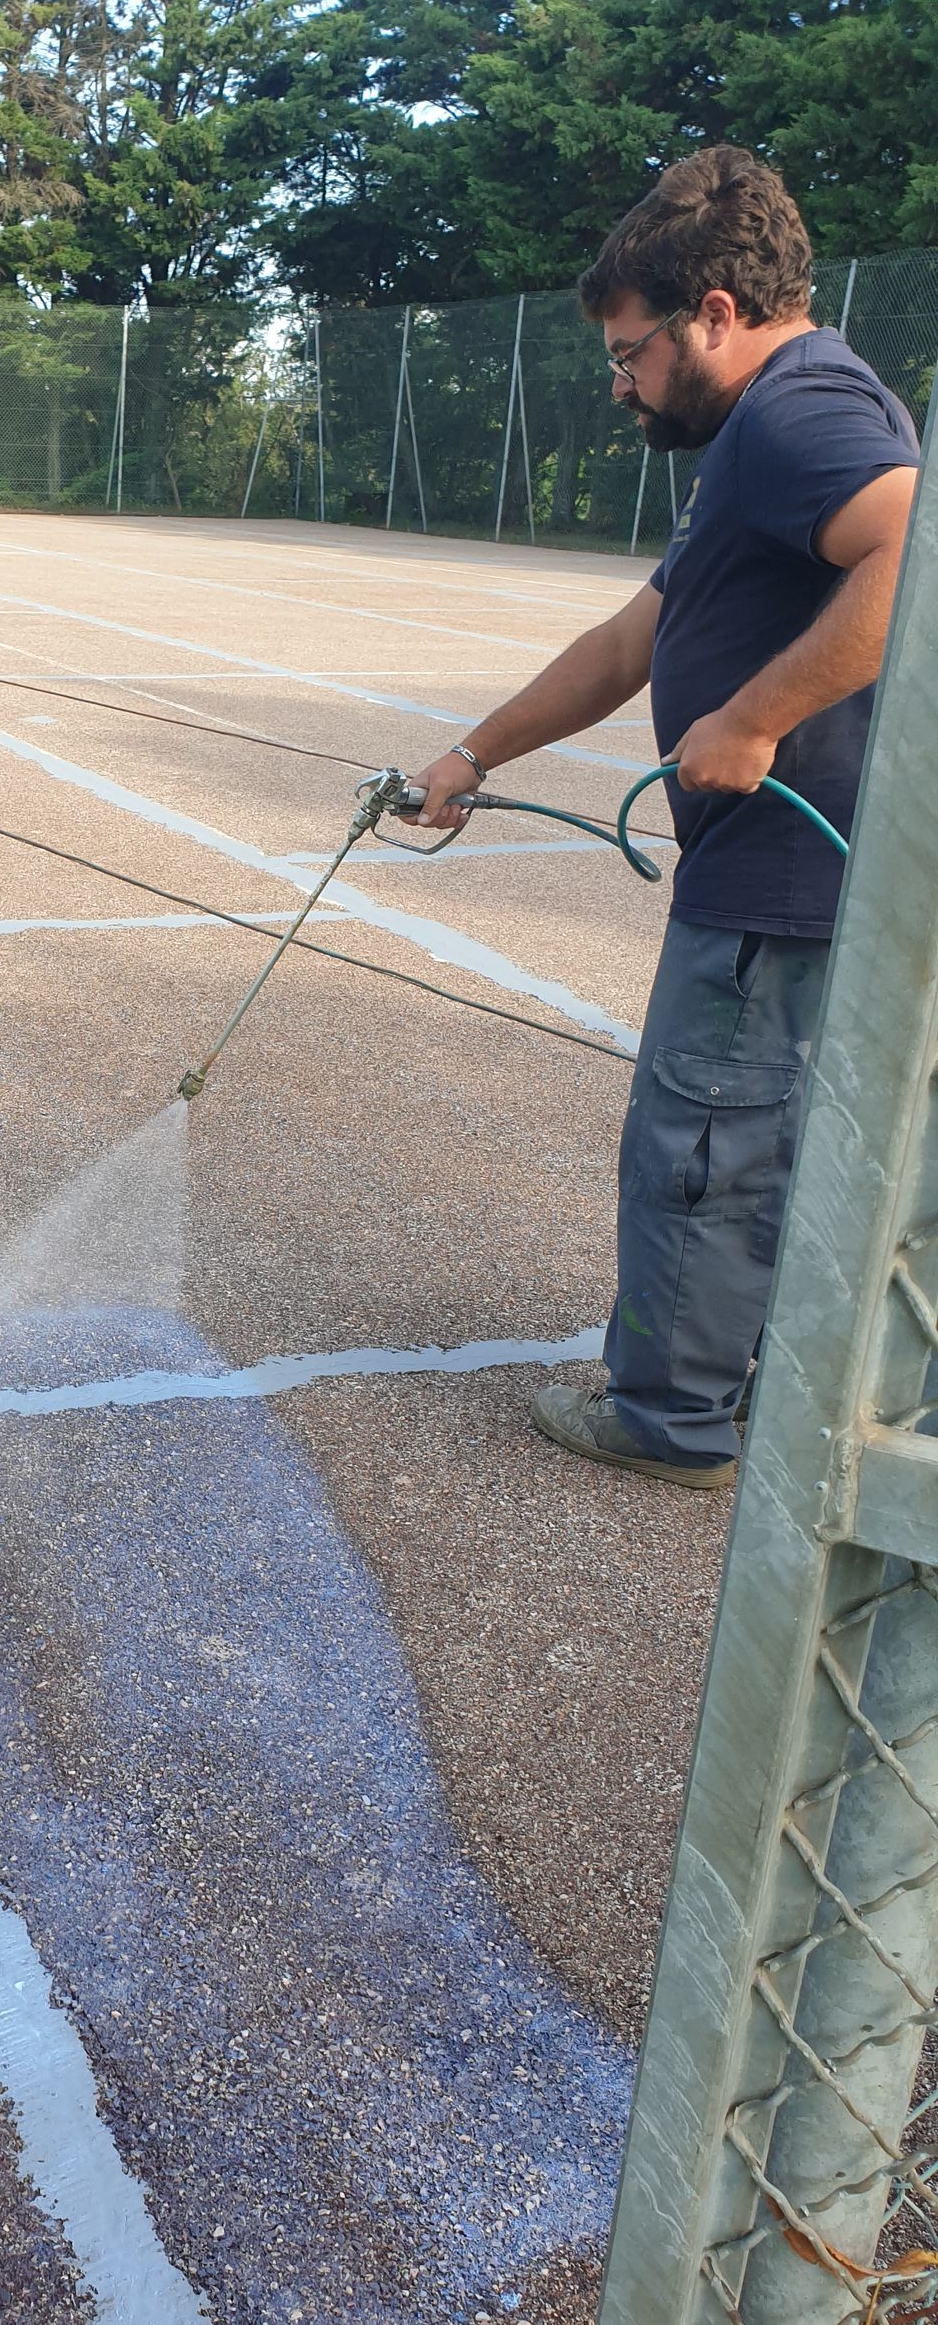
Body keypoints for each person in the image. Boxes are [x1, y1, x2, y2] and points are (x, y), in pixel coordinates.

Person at [405, 145, 919, 1489]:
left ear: (717, 316)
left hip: (786, 888)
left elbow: (918, 550)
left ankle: (673, 1421)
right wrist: (471, 752)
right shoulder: (760, 435)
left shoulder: (799, 415)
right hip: (780, 879)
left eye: (631, 353)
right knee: (773, 1151)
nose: (622, 383)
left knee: (708, 1147)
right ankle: (757, 1395)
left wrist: (754, 717)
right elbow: (635, 636)